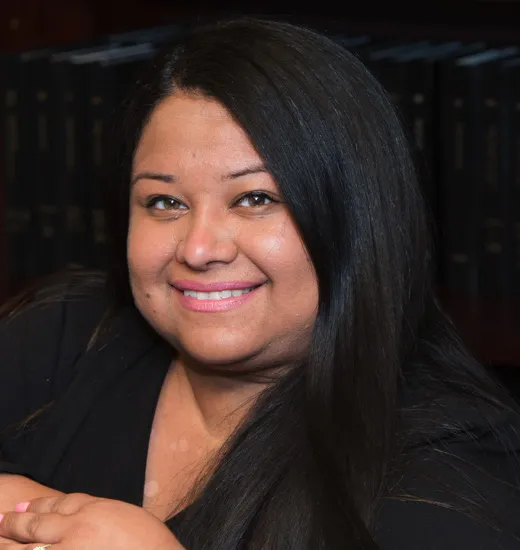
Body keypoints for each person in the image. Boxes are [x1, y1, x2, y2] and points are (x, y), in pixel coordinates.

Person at [0, 16, 519, 550]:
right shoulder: (63, 336)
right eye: (165, 202)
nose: (199, 249)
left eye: (255, 199)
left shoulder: (453, 473)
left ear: (354, 220)